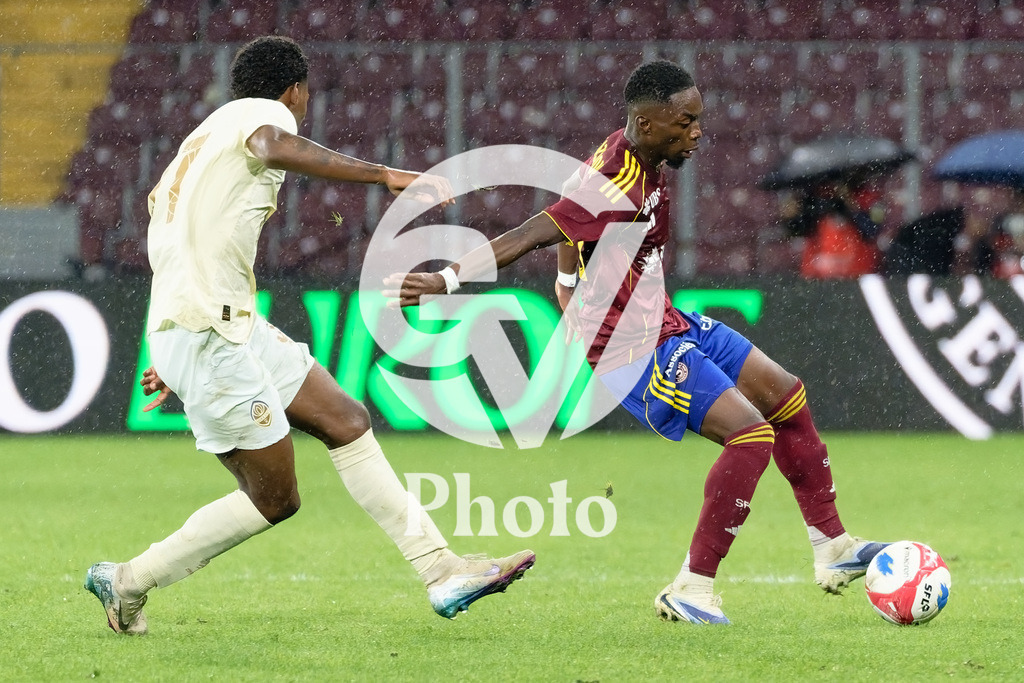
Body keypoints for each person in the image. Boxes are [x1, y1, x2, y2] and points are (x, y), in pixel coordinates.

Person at [386, 60, 885, 625]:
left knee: (787, 395)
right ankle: (692, 587)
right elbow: (537, 229)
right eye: (686, 122)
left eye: (699, 120)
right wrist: (446, 279)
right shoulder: (615, 180)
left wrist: (568, 282)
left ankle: (834, 548)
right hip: (630, 348)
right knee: (750, 436)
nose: (697, 132)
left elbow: (571, 223)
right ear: (647, 124)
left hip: (666, 321)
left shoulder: (635, 154)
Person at [83, 36, 534, 636]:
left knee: (345, 419)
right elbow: (271, 144)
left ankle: (442, 569)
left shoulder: (194, 146)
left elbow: (178, 247)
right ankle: (129, 580)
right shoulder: (260, 117)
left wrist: (173, 345)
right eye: (303, 98)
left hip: (214, 323)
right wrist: (382, 174)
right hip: (210, 332)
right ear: (293, 91)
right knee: (276, 499)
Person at [781, 173, 886, 278]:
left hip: (856, 271)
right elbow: (796, 230)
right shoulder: (814, 201)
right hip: (823, 273)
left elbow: (872, 230)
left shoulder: (866, 197)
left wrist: (850, 204)